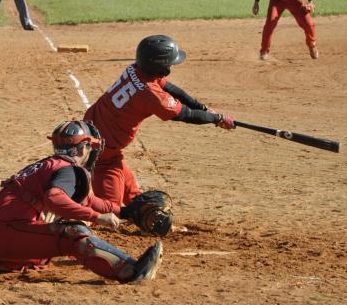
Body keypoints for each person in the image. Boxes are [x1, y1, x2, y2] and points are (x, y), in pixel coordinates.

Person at [0, 120, 164, 284]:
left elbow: (88, 200)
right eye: (90, 147)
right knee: (73, 233)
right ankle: (130, 271)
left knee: (44, 251)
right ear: (82, 149)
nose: (92, 152)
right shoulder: (67, 170)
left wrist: (125, 213)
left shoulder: (51, 164)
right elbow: (54, 199)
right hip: (5, 232)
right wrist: (96, 217)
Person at [83, 35, 236, 227]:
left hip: (96, 132)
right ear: (160, 66)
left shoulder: (136, 69)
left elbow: (172, 89)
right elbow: (185, 115)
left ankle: (142, 213)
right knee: (108, 214)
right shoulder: (151, 95)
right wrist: (218, 119)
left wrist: (205, 109)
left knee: (132, 194)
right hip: (103, 150)